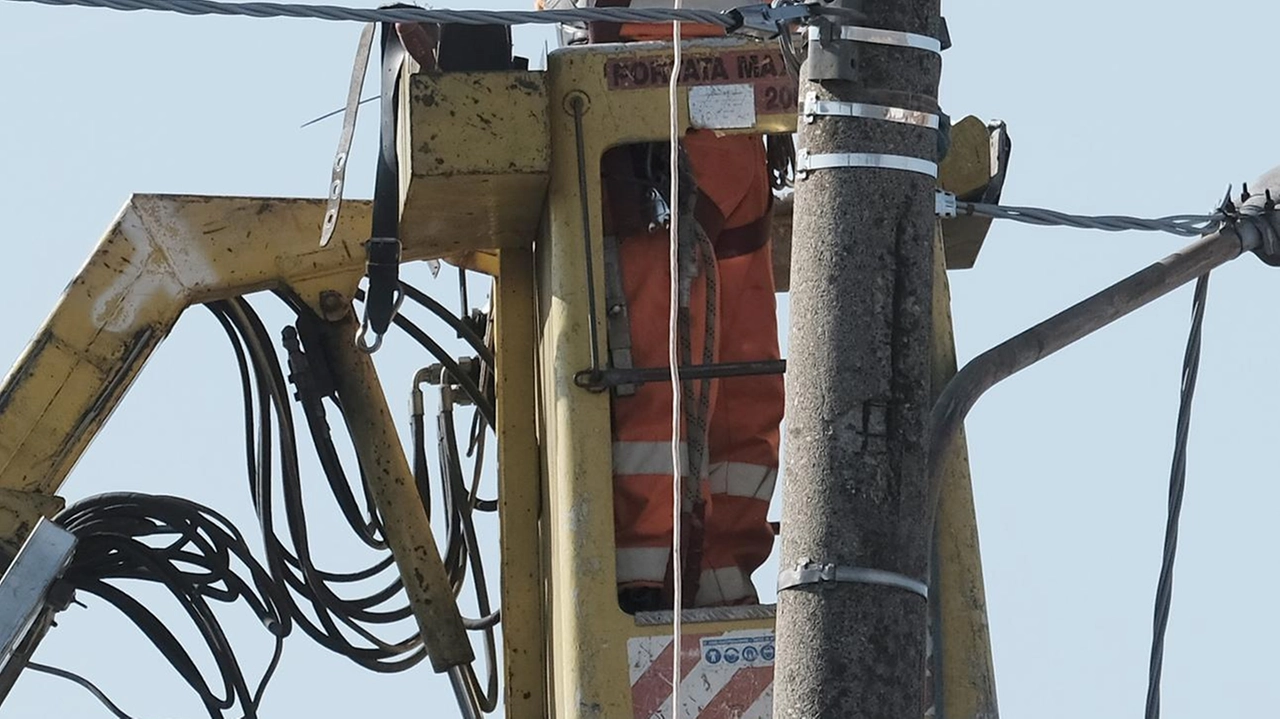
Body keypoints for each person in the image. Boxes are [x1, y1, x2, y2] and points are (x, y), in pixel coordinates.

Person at [539, 0, 789, 612]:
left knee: (737, 369)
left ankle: (706, 570)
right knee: (666, 351)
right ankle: (661, 569)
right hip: (647, 96)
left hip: (722, 88)